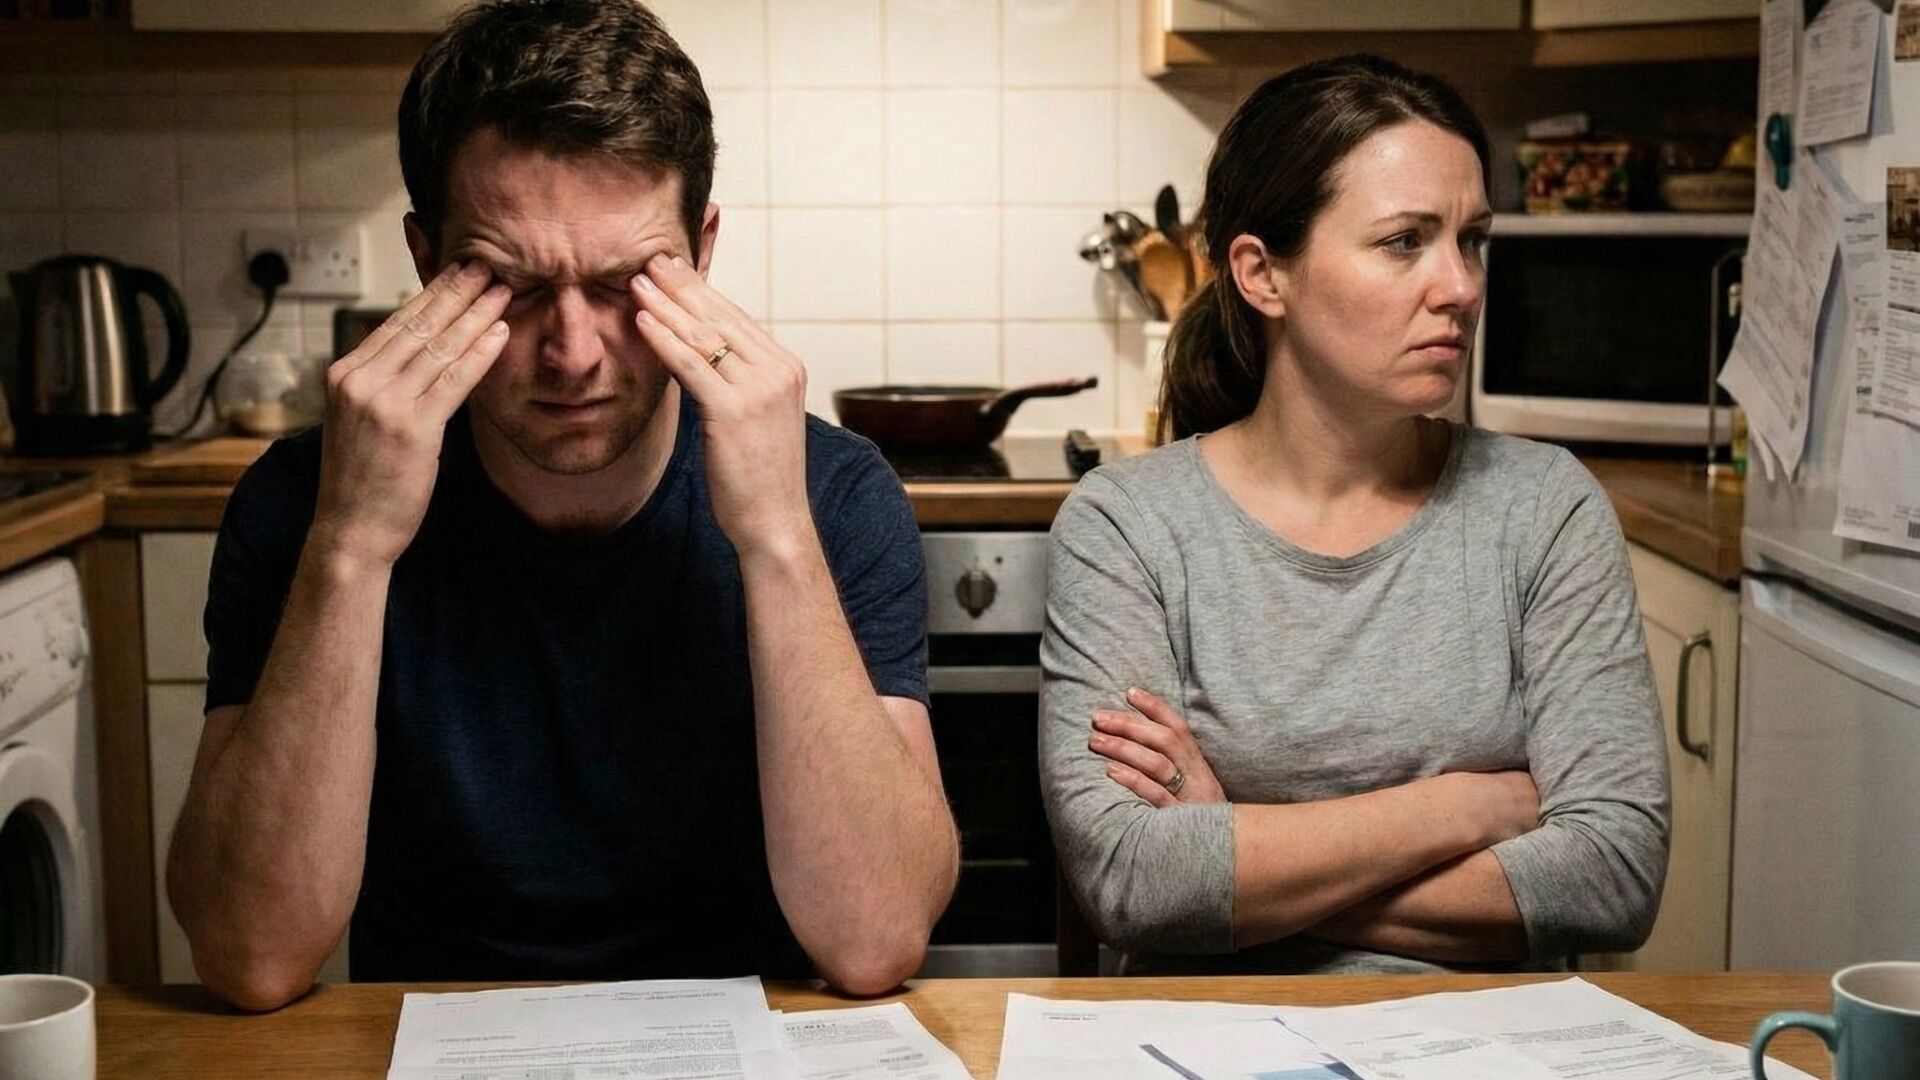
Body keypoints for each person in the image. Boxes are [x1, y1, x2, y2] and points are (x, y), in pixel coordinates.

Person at [166, 0, 958, 1010]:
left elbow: (875, 941)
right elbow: (250, 955)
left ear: (702, 248)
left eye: (628, 280)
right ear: (425, 261)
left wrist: (774, 536)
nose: (574, 353)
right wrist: (353, 547)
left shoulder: (835, 495)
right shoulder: (303, 500)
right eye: (509, 281)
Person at [1039, 54, 1670, 974]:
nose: (1460, 285)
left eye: (1472, 239)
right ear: (1262, 275)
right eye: (1405, 240)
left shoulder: (1544, 509)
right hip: (1205, 1045)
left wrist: (1241, 862)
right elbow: (1133, 882)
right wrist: (1467, 809)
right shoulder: (1129, 525)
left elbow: (1613, 872)